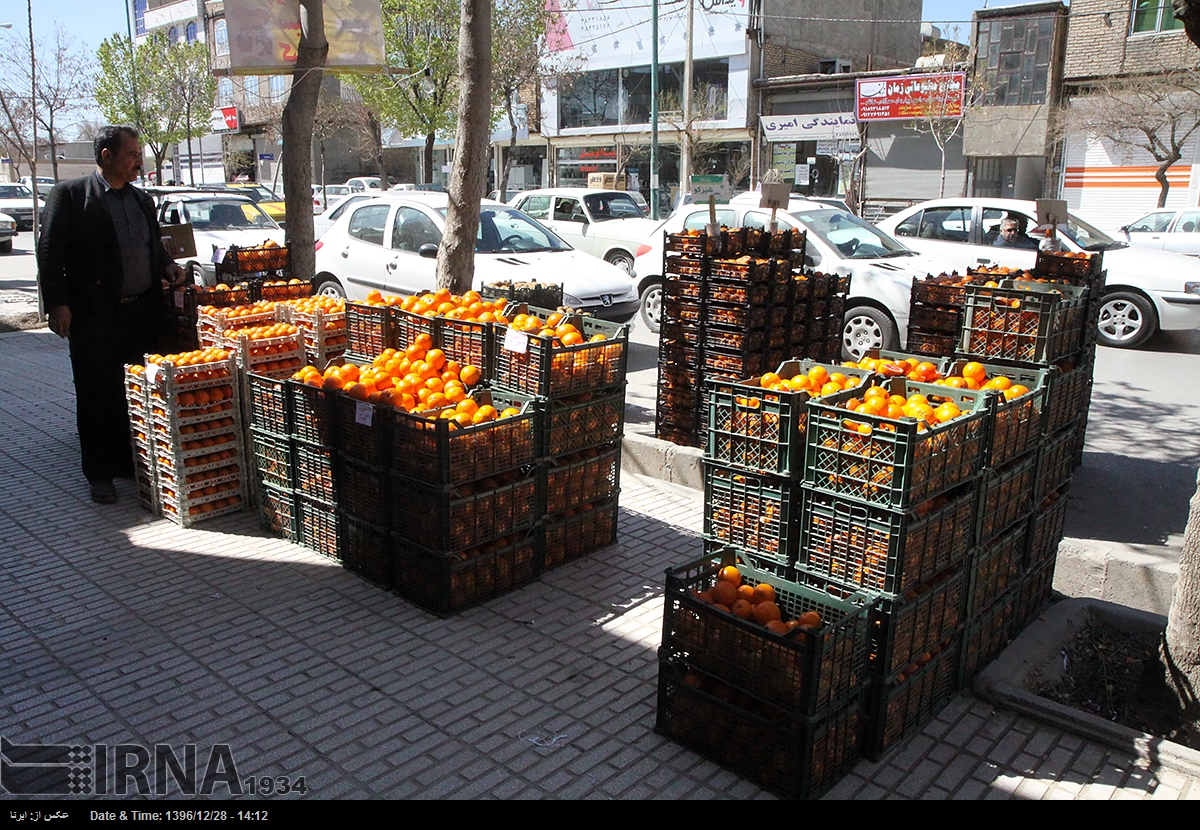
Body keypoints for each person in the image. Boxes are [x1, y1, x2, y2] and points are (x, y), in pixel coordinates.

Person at [38, 125, 187, 505]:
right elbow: (50, 254)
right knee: (96, 394)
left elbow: (152, 247)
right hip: (94, 316)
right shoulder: (70, 196)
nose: (140, 161)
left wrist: (167, 265)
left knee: (132, 391)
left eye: (139, 154)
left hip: (140, 313)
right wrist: (57, 305)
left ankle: (125, 461)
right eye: (132, 154)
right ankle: (99, 473)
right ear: (107, 156)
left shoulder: (141, 200)